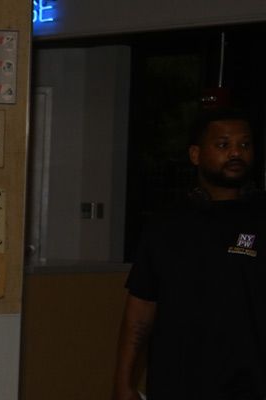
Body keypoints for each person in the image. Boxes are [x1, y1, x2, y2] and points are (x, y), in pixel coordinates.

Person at [113, 108, 266, 399]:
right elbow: (140, 314)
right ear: (195, 154)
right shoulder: (166, 225)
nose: (236, 153)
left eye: (244, 145)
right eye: (223, 145)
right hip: (177, 383)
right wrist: (123, 382)